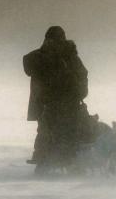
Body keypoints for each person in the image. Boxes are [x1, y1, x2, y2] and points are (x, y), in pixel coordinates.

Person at [23, 26, 89, 174]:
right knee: (57, 133)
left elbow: (82, 74)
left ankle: (53, 163)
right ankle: (53, 163)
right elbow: (28, 65)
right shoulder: (43, 56)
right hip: (52, 104)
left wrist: (80, 92)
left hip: (59, 103)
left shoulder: (68, 55)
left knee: (57, 133)